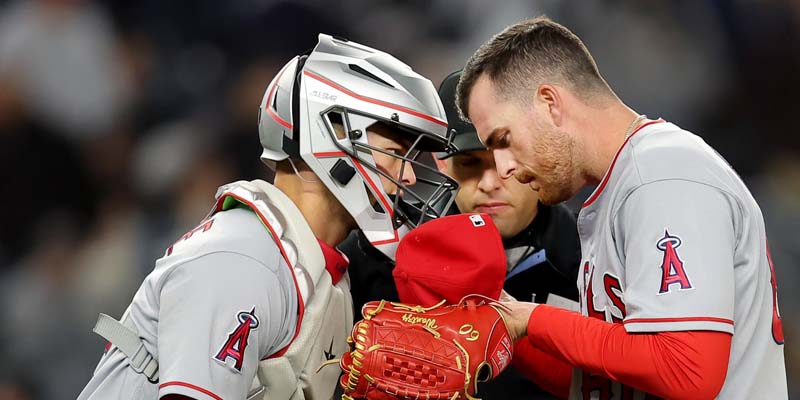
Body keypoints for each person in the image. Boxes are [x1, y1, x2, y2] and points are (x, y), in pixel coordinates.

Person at [77, 33, 457, 400]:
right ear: (332, 137)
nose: (407, 175)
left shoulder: (315, 273)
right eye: (395, 151)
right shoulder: (242, 260)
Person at [456, 16, 787, 400]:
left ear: (549, 104)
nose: (504, 167)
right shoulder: (626, 182)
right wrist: (506, 324)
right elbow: (605, 383)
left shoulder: (662, 174)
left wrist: (532, 320)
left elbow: (687, 370)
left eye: (503, 139)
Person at [341, 70, 582, 399]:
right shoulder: (379, 252)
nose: (489, 182)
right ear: (441, 163)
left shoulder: (591, 256)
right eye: (469, 163)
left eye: (506, 159)